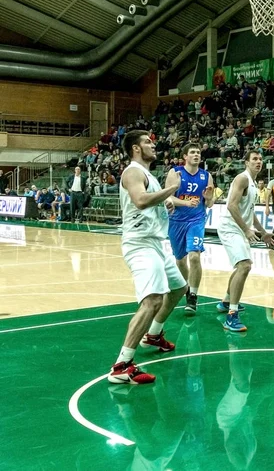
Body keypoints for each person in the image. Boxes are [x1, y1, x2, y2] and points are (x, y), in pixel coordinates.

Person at [108, 130, 187, 385]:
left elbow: (150, 203)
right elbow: (140, 201)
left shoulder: (147, 174)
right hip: (140, 244)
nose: (153, 145)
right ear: (136, 149)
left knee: (178, 287)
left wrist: (166, 202)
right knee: (152, 300)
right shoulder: (133, 171)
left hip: (155, 243)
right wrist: (171, 188)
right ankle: (122, 364)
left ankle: (153, 335)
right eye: (147, 142)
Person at [217, 151, 274, 333]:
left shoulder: (252, 183)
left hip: (238, 228)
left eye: (260, 159)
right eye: (254, 159)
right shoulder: (242, 179)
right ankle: (231, 316)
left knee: (242, 266)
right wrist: (246, 229)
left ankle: (226, 302)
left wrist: (264, 233)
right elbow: (231, 206)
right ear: (246, 162)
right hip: (230, 228)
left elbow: (249, 212)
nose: (258, 162)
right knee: (245, 266)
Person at [166, 142, 215, 314]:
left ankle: (192, 295)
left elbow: (209, 203)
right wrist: (185, 202)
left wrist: (209, 198)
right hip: (176, 220)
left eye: (198, 152)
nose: (196, 155)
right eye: (192, 152)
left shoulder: (206, 176)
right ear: (185, 156)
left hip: (197, 219)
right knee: (180, 260)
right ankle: (185, 288)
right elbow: (168, 198)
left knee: (194, 256)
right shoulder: (175, 173)